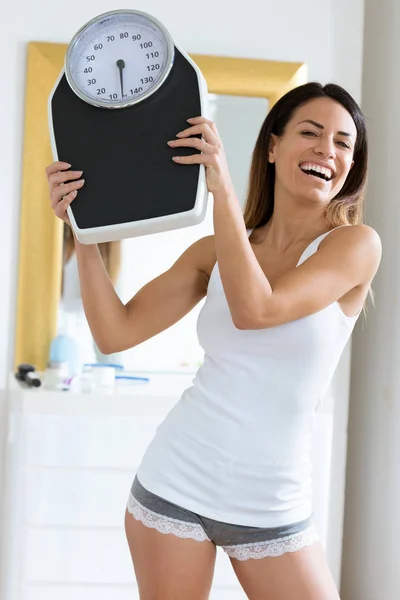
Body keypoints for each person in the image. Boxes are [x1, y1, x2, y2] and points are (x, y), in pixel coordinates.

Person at [46, 82, 381, 600]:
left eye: (343, 143)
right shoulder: (215, 252)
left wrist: (220, 188)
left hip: (273, 502)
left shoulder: (354, 247)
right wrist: (81, 231)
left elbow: (258, 309)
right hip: (177, 480)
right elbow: (115, 333)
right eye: (311, 133)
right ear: (272, 147)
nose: (326, 150)